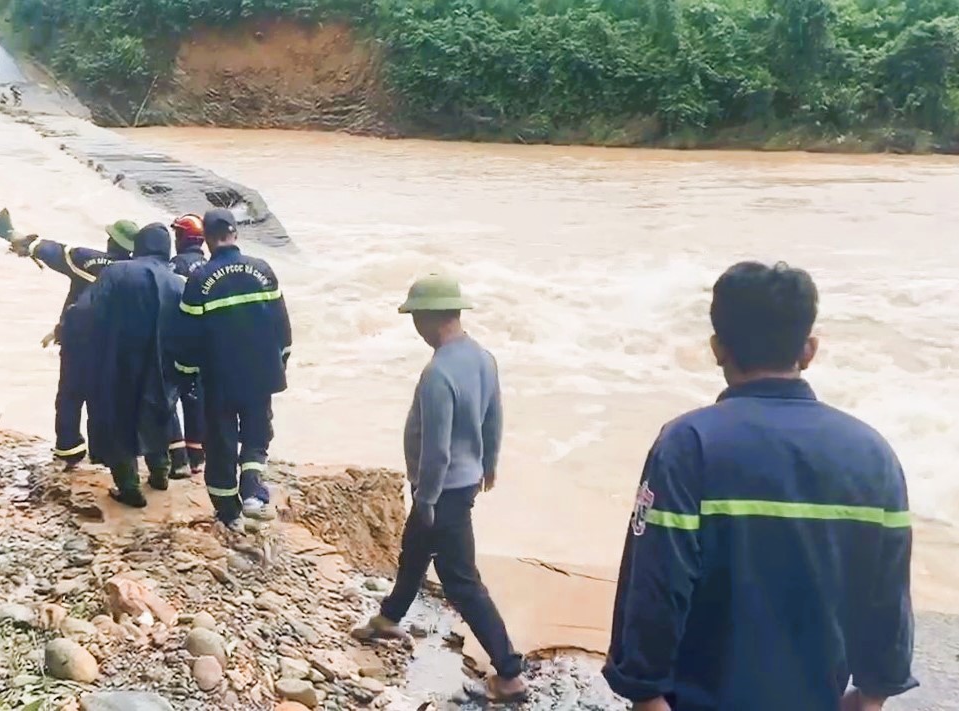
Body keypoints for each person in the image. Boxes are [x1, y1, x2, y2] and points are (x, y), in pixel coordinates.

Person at [602, 261, 916, 711]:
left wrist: (645, 692)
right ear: (808, 350)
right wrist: (873, 693)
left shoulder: (689, 445)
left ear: (717, 348)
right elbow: (887, 596)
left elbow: (655, 586)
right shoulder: (872, 455)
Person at [351, 274, 527, 704]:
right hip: (463, 482)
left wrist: (426, 500)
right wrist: (490, 464)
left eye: (415, 318)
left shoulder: (438, 373)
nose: (414, 328)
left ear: (428, 319)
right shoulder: (483, 358)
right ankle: (389, 617)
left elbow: (437, 450)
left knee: (460, 580)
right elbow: (494, 418)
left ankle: (509, 673)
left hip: (442, 489)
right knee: (414, 551)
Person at [0, 209, 190, 475]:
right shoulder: (145, 275)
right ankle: (135, 457)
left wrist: (10, 234)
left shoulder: (89, 260)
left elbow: (47, 249)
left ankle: (69, 449)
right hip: (118, 348)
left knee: (71, 395)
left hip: (79, 340)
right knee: (116, 400)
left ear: (111, 241)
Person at [169, 208, 291, 530]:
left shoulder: (198, 280)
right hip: (260, 375)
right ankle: (252, 490)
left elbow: (187, 337)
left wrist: (185, 375)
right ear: (235, 234)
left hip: (219, 378)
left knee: (221, 443)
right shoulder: (263, 270)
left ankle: (229, 515)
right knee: (257, 433)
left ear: (207, 240)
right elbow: (282, 327)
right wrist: (280, 363)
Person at [63, 223, 185, 508]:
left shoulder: (116, 272)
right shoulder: (177, 282)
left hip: (116, 361)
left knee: (116, 421)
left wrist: (69, 333)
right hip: (161, 364)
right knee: (158, 413)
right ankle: (159, 474)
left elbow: (84, 312)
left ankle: (129, 487)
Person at [169, 213, 209, 476]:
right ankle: (199, 457)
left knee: (171, 396)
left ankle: (178, 456)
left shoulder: (176, 266)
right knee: (198, 398)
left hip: (180, 341)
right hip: (208, 345)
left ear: (182, 238)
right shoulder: (210, 266)